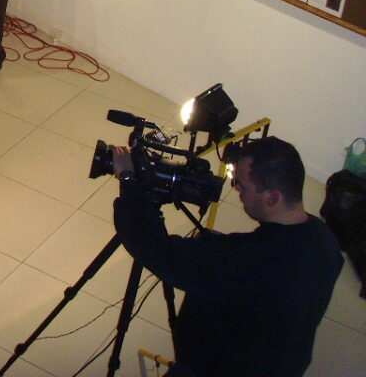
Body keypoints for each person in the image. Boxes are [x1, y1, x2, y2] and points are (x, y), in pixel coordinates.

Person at [112, 137, 343, 377]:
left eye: (242, 185)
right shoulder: (324, 240)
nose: (238, 190)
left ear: (272, 197)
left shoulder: (245, 263)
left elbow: (154, 247)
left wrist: (128, 179)